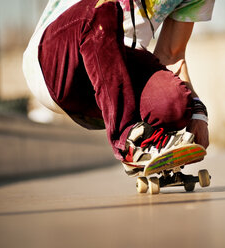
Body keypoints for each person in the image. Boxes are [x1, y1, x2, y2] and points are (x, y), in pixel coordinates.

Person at [23, 0, 214, 176]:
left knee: (175, 104)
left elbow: (171, 55)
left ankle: (145, 144)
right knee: (103, 10)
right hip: (55, 62)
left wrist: (198, 112)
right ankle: (129, 141)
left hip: (111, 87)